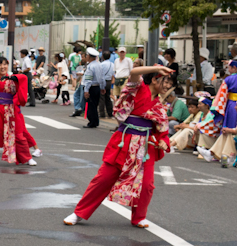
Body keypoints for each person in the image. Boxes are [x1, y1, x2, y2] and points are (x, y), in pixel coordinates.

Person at [64, 65, 175, 229]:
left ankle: (139, 217)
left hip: (145, 146)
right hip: (125, 141)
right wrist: (156, 67)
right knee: (103, 178)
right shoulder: (139, 88)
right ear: (154, 78)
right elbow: (134, 72)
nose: (167, 86)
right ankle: (79, 213)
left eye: (170, 83)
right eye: (165, 81)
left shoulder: (160, 104)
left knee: (147, 185)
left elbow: (162, 129)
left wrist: (164, 141)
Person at [200, 62, 237, 165]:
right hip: (232, 104)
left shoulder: (229, 79)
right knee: (229, 131)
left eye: (229, 67)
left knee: (228, 130)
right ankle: (219, 154)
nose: (228, 70)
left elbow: (221, 96)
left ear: (234, 68)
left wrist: (219, 108)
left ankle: (219, 154)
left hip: (231, 105)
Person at [82, 47, 104, 128]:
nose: (86, 57)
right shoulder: (99, 65)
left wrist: (86, 90)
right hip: (97, 87)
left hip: (91, 87)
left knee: (90, 105)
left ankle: (92, 122)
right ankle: (95, 121)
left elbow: (88, 79)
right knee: (95, 105)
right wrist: (102, 87)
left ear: (89, 56)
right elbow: (102, 78)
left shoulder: (90, 66)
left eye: (87, 55)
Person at [97, 50, 116, 119]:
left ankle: (102, 113)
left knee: (102, 98)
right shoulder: (112, 64)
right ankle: (110, 113)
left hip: (103, 81)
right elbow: (113, 74)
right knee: (108, 97)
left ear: (102, 56)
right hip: (109, 81)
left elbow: (99, 74)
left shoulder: (101, 64)